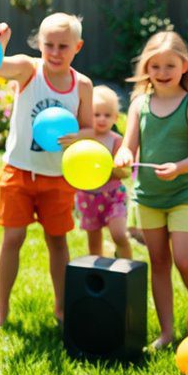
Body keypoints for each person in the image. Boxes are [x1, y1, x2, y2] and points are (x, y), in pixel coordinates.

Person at [0, 14, 94, 332]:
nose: (55, 52)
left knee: (57, 240)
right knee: (12, 238)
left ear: (78, 47)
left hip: (57, 177)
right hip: (18, 171)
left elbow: (89, 128)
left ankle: (61, 308)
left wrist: (80, 136)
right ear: (39, 44)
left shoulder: (82, 85)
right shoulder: (29, 70)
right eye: (48, 45)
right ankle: (0, 311)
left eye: (63, 46)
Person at [114, 31, 188, 350]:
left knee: (184, 259)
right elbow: (128, 147)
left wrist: (179, 168)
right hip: (148, 196)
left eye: (170, 65)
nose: (162, 72)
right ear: (146, 68)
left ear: (184, 66)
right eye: (155, 66)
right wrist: (124, 156)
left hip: (183, 193)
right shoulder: (140, 104)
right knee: (158, 261)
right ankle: (166, 332)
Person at [75, 85, 132, 259]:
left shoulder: (116, 141)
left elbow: (125, 172)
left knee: (119, 234)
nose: (101, 119)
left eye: (107, 115)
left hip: (113, 195)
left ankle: (126, 267)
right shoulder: (82, 139)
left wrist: (115, 167)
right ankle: (99, 273)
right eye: (96, 114)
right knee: (94, 240)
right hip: (87, 196)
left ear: (115, 118)